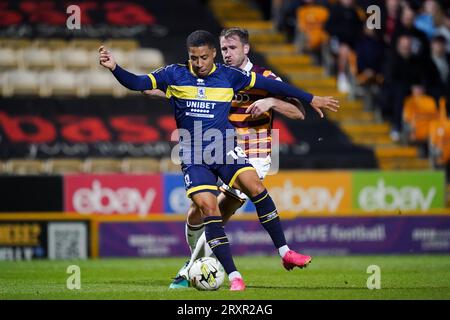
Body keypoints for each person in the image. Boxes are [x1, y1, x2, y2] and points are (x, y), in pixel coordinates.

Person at [99, 30, 339, 291]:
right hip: (194, 156)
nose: (199, 63)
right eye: (194, 58)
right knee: (205, 211)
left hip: (230, 150)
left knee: (253, 189)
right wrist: (115, 68)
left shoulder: (233, 77)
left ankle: (282, 253)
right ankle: (232, 275)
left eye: (205, 57)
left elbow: (277, 88)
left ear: (218, 53)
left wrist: (310, 97)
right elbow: (137, 83)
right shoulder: (174, 74)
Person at [145, 27, 309, 289]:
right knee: (196, 212)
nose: (227, 54)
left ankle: (192, 271)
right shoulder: (218, 76)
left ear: (246, 48)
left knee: (219, 211)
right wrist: (154, 86)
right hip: (219, 150)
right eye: (223, 49)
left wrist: (271, 103)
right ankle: (195, 264)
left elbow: (299, 112)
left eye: (232, 48)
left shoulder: (263, 77)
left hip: (252, 156)